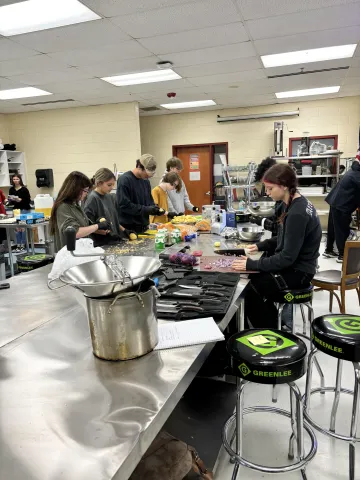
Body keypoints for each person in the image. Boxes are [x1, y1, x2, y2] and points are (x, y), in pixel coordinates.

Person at [234, 164, 322, 330]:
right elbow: (284, 237)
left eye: (270, 188)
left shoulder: (297, 212)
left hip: (300, 272)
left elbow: (287, 257)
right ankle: (271, 325)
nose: (267, 193)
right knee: (252, 279)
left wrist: (252, 264)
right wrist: (260, 245)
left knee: (251, 289)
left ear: (284, 186)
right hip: (296, 266)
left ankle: (276, 335)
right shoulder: (291, 203)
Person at [50, 171, 110, 252]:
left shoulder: (76, 205)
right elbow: (75, 232)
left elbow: (84, 226)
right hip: (70, 255)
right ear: (75, 189)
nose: (86, 193)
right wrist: (97, 226)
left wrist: (101, 229)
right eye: (85, 190)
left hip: (81, 252)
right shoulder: (63, 207)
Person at [84, 168, 137, 247]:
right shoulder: (92, 199)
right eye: (109, 185)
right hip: (102, 244)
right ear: (99, 183)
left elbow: (112, 220)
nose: (112, 188)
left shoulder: (109, 196)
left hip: (114, 242)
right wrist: (104, 232)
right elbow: (87, 226)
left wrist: (124, 230)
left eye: (113, 185)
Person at [324, 151, 360, 263]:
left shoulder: (354, 170)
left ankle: (329, 250)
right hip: (342, 204)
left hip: (334, 200)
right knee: (341, 229)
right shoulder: (358, 176)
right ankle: (342, 255)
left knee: (333, 228)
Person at [116, 154, 164, 233]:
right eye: (146, 174)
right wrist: (146, 209)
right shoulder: (125, 180)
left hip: (143, 226)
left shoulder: (145, 181)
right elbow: (124, 205)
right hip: (129, 227)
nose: (148, 177)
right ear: (139, 166)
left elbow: (149, 201)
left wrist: (155, 210)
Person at [250, 157, 284, 236]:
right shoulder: (281, 200)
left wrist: (262, 221)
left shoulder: (292, 207)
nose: (267, 193)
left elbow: (280, 230)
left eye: (270, 188)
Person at [8, 175, 31, 251]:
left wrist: (20, 200)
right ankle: (18, 244)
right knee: (17, 228)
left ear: (20, 180)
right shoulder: (11, 189)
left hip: (24, 209)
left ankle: (23, 244)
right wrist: (10, 200)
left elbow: (28, 200)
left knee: (23, 228)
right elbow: (11, 200)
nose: (15, 180)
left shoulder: (24, 189)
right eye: (14, 179)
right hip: (16, 210)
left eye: (17, 179)